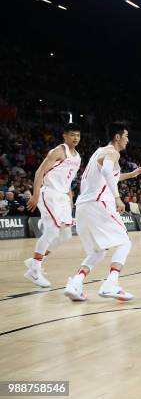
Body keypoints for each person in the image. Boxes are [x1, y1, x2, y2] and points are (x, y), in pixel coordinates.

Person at [63, 123, 141, 301]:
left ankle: (75, 283)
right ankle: (111, 283)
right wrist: (117, 198)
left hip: (83, 207)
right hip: (98, 204)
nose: (128, 140)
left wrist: (131, 175)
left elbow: (109, 174)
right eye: (126, 136)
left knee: (97, 251)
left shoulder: (98, 152)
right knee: (124, 242)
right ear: (117, 137)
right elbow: (108, 171)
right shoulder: (112, 151)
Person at [24, 123, 81, 288]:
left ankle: (35, 260)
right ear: (64, 135)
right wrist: (35, 195)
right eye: (72, 135)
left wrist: (69, 197)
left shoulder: (77, 157)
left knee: (66, 236)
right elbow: (39, 172)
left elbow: (68, 180)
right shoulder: (58, 151)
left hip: (63, 197)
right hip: (49, 194)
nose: (75, 138)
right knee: (52, 231)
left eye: (78, 135)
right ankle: (34, 270)